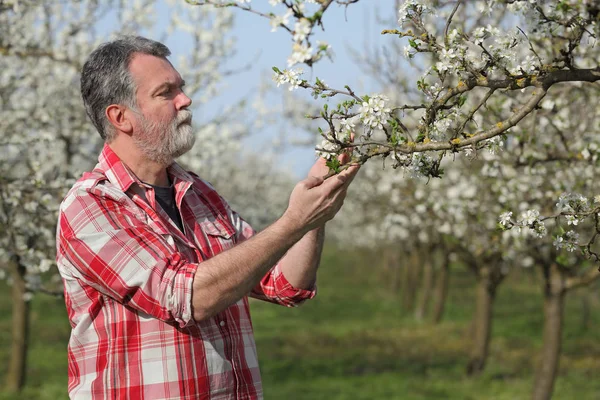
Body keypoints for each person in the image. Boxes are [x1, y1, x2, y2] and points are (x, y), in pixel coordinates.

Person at [55, 35, 358, 399]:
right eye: (166, 93)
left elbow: (282, 283)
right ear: (121, 117)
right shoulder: (91, 206)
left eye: (181, 88)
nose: (185, 100)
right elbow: (185, 296)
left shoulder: (200, 194)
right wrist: (293, 221)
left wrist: (315, 210)